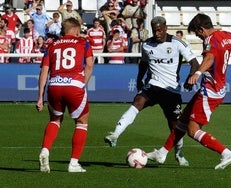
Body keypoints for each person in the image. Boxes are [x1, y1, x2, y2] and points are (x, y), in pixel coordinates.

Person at [146, 13, 231, 170]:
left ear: (201, 29)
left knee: (193, 130)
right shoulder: (226, 35)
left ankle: (226, 153)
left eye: (197, 33)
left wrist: (197, 73)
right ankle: (162, 153)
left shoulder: (210, 40)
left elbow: (209, 59)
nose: (198, 37)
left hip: (211, 91)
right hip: (214, 88)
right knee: (182, 121)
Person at [104, 16, 199, 166]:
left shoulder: (177, 43)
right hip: (153, 85)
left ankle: (179, 153)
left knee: (175, 125)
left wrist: (191, 77)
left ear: (166, 28)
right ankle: (115, 134)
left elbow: (194, 62)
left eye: (160, 30)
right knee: (138, 101)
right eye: (155, 31)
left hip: (171, 90)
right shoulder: (147, 45)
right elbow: (143, 63)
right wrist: (139, 79)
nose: (157, 33)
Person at [36, 17, 94, 173]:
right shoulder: (84, 43)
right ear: (75, 30)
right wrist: (83, 82)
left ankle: (45, 151)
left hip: (54, 85)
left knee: (55, 120)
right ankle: (74, 163)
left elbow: (44, 71)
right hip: (74, 85)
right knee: (82, 122)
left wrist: (40, 96)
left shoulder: (52, 45)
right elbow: (89, 64)